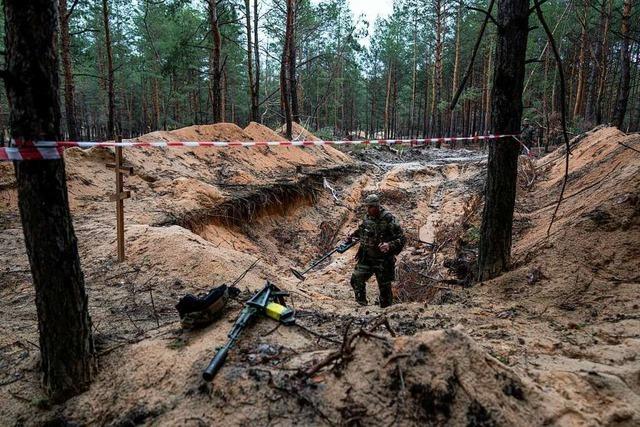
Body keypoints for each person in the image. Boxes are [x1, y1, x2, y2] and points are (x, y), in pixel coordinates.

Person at [346, 194, 405, 307]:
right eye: (367, 207)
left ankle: (385, 310)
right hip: (366, 256)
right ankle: (361, 305)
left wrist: (389, 245)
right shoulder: (367, 217)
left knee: (384, 289)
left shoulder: (388, 219)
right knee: (356, 279)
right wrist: (352, 236)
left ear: (376, 206)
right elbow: (362, 230)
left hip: (383, 260)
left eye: (370, 207)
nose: (367, 210)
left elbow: (402, 238)